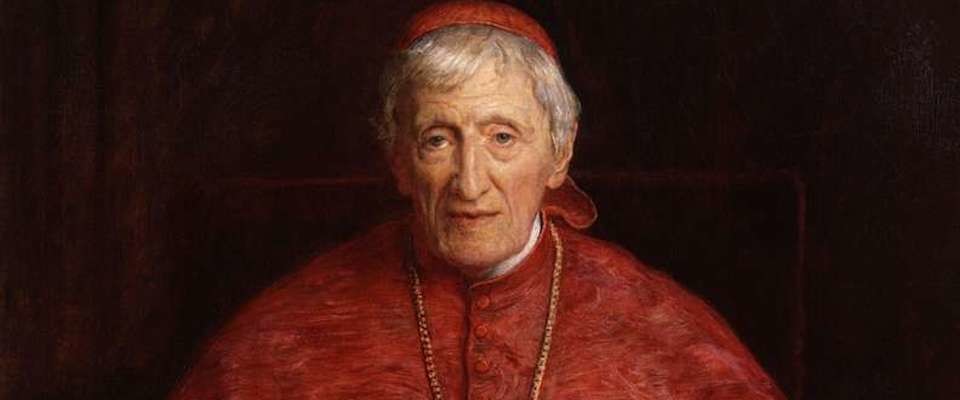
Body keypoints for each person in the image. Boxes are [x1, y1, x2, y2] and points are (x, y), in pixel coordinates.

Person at [170, 1, 785, 399]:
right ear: (399, 160)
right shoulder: (285, 335)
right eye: (438, 139)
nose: (469, 183)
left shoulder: (662, 329)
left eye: (502, 138)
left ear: (559, 153)